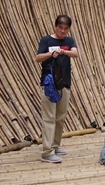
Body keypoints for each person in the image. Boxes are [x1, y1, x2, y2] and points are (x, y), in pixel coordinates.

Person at [35, 14, 79, 163]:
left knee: (60, 117)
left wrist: (64, 52)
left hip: (64, 83)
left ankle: (55, 145)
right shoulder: (46, 40)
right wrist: (51, 54)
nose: (63, 31)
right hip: (49, 84)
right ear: (55, 26)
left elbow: (76, 53)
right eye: (60, 28)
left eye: (66, 29)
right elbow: (38, 57)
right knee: (49, 118)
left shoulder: (69, 40)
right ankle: (47, 152)